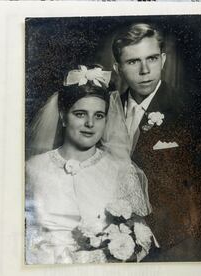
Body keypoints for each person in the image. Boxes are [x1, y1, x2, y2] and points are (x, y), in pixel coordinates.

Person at [25, 65, 151, 264]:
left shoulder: (120, 170)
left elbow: (140, 237)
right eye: (80, 114)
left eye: (98, 116)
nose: (90, 124)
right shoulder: (33, 168)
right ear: (63, 117)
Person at [112, 23, 201, 261]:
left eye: (152, 58)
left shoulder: (190, 111)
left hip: (174, 244)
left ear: (164, 59)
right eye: (133, 61)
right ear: (118, 68)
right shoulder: (106, 110)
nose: (145, 70)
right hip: (118, 240)